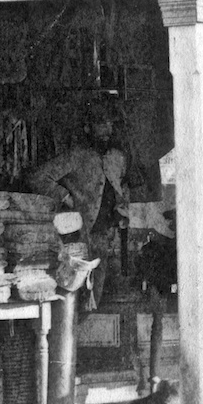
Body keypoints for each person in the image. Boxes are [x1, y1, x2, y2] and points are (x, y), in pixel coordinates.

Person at [29, 109, 131, 304]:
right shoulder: (76, 156)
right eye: (101, 123)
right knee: (69, 298)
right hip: (75, 239)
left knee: (95, 298)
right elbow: (38, 178)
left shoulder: (118, 158)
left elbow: (124, 188)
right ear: (87, 127)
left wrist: (122, 210)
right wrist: (65, 196)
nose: (107, 129)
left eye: (110, 124)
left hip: (105, 238)